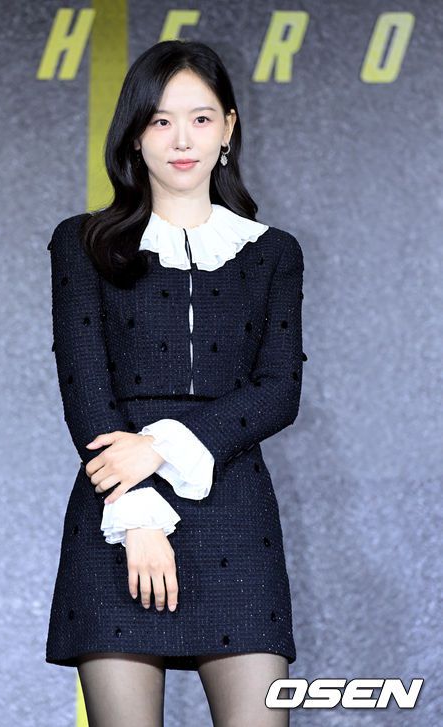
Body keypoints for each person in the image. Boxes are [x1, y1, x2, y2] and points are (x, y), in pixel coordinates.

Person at [45, 39, 305, 727]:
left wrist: (157, 447)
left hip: (236, 512)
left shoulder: (273, 253)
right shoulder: (82, 243)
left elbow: (278, 390)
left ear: (228, 127)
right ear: (135, 134)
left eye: (200, 117)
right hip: (116, 510)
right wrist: (136, 514)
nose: (181, 139)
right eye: (160, 120)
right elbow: (85, 390)